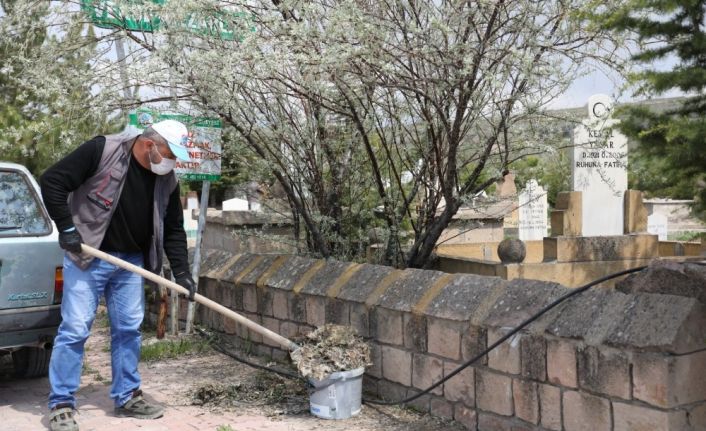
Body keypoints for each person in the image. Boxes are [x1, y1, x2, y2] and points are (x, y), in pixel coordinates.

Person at [39, 120, 197, 431]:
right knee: (75, 328)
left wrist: (182, 272)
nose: (173, 162)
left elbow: (174, 228)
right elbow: (52, 181)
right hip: (88, 256)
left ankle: (127, 395)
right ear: (150, 144)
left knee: (128, 329)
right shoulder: (103, 150)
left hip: (130, 263)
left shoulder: (167, 180)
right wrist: (67, 228)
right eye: (170, 153)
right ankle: (61, 403)